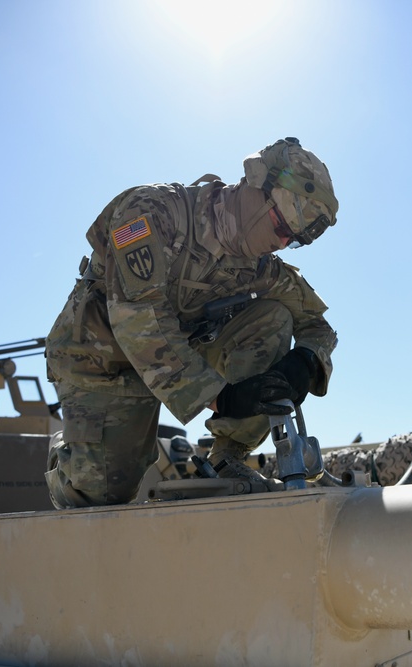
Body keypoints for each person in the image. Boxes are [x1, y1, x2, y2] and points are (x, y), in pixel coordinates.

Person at [44, 138, 339, 508]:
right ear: (255, 185)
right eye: (282, 227)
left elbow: (317, 323)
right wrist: (221, 397)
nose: (281, 244)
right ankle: (67, 456)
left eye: (293, 242)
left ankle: (226, 458)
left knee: (274, 317)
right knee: (100, 493)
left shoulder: (258, 266)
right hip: (100, 361)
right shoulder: (151, 212)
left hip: (177, 353)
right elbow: (138, 321)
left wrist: (307, 361)